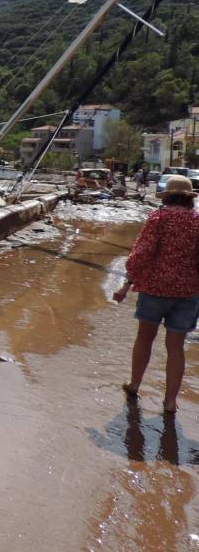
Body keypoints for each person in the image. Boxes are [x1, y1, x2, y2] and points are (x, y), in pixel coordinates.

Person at [114, 174, 199, 413]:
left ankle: (134, 384)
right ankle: (170, 401)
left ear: (167, 196)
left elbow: (143, 254)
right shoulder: (197, 221)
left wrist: (126, 284)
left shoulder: (158, 218)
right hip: (187, 293)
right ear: (189, 199)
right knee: (176, 348)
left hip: (154, 289)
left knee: (144, 339)